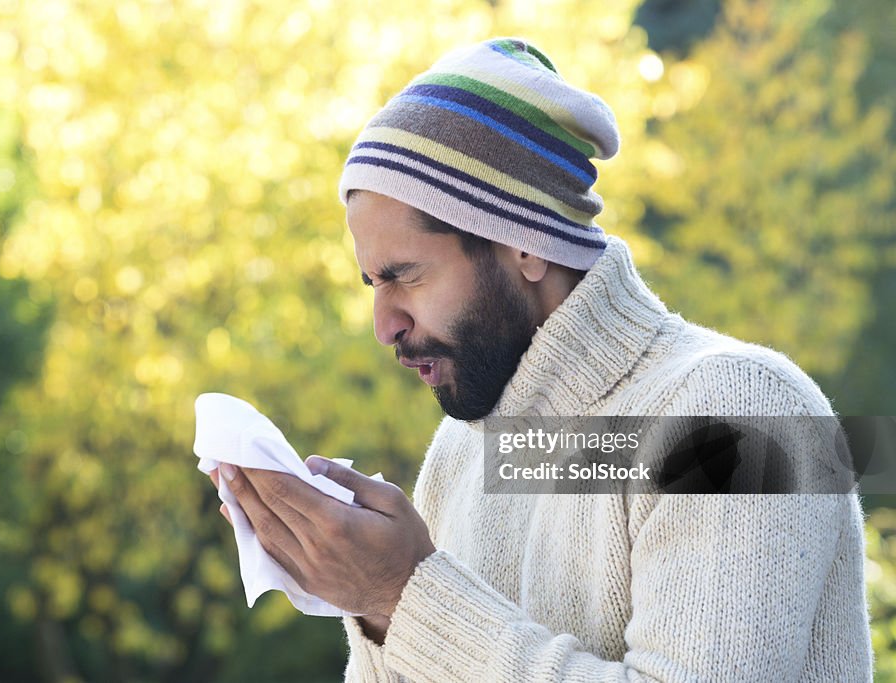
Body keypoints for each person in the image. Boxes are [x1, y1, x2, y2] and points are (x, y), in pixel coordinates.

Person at [210, 38, 872, 681]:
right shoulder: (461, 453)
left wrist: (403, 595)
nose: (385, 325)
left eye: (406, 276)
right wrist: (367, 600)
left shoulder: (739, 409)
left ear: (525, 243)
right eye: (373, 284)